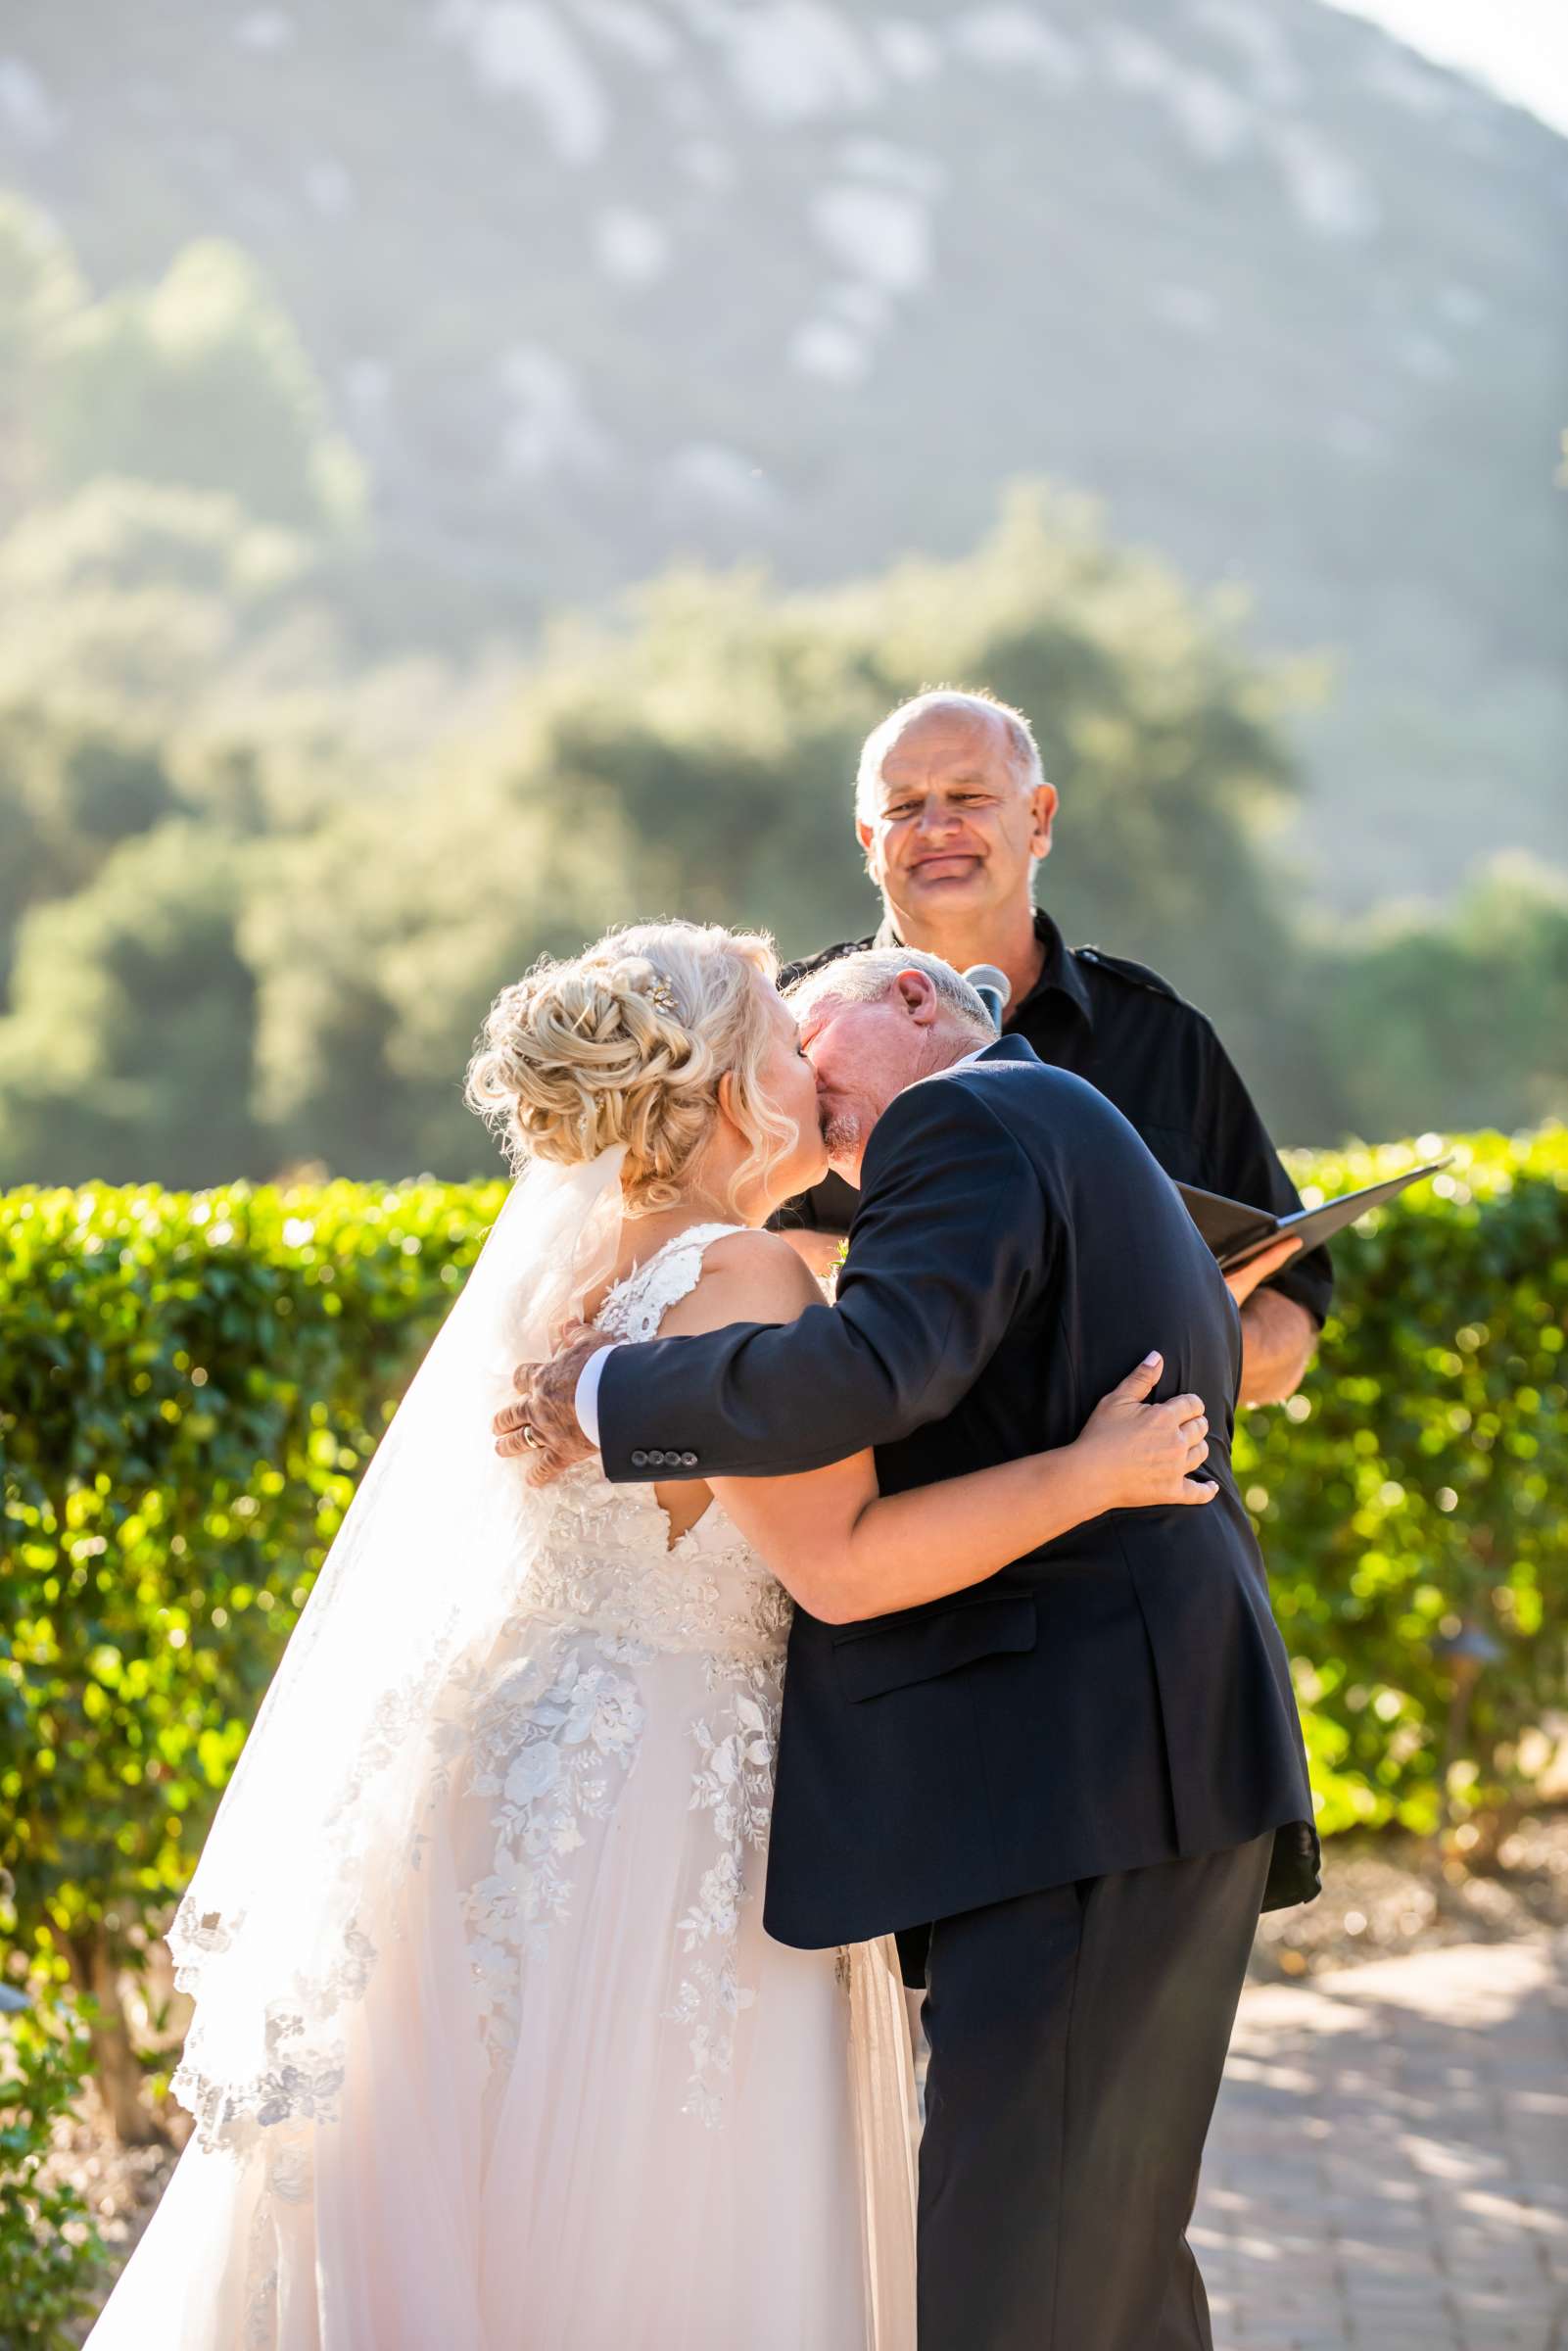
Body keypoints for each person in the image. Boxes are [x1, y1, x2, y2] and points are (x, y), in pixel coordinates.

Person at [88, 921, 1216, 2351]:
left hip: (506, 1784)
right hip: (666, 1812)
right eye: (783, 1040)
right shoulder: (745, 1281)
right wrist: (1085, 1476)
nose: (811, 1065)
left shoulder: (579, 1288)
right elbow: (845, 1572)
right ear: (732, 1092)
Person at [499, 944, 1320, 2351]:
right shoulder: (1027, 1125)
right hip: (1125, 1767)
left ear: (914, 1003)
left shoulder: (960, 1115)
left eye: (818, 1062)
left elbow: (872, 1378)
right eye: (789, 1074)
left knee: (1028, 2277)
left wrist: (605, 1392)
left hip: (1089, 1776)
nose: (816, 1112)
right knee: (1094, 2266)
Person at [776, 687, 1331, 1406]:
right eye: (903, 806)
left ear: (1038, 818)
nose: (935, 826)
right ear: (866, 841)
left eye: (968, 796)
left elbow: (1285, 1331)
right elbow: (708, 1268)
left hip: (1138, 1497)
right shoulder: (783, 1031)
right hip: (881, 1503)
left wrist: (1185, 1320)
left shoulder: (1162, 1039)